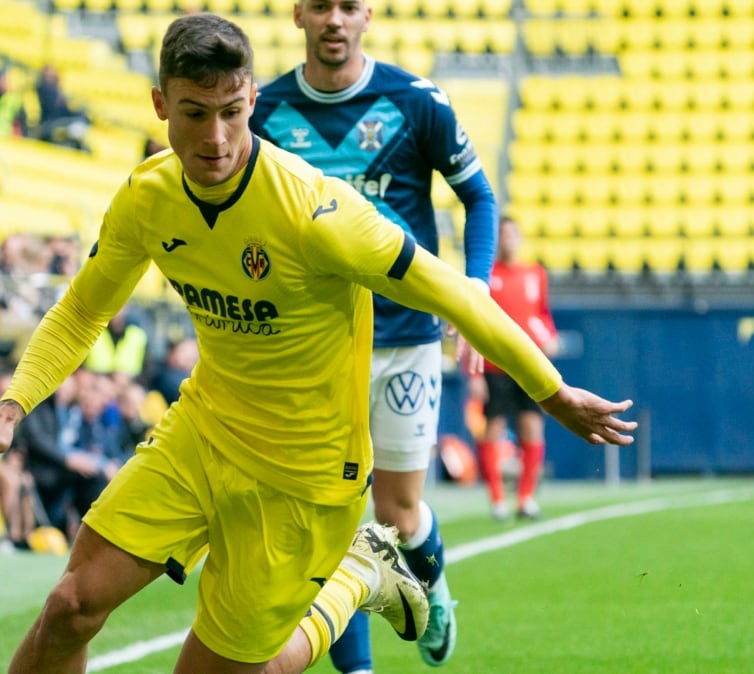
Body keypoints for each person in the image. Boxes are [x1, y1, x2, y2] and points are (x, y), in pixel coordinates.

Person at [0, 14, 635, 674]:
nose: (216, 139)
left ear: (252, 100)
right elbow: (83, 309)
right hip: (202, 434)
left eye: (232, 112)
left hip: (306, 472)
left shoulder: (317, 213)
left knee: (252, 668)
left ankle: (361, 575)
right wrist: (10, 407)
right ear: (159, 105)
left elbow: (451, 290)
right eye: (195, 114)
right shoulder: (147, 197)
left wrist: (552, 391)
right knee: (69, 606)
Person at [250, 0, 499, 667]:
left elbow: (480, 197)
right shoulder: (262, 113)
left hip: (405, 339)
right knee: (332, 524)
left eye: (349, 6)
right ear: (298, 14)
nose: (335, 19)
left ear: (367, 16)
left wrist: (473, 289)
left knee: (398, 513)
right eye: (322, 5)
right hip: (313, 347)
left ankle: (434, 581)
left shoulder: (416, 102)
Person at [474, 215, 560, 521]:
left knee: (532, 428)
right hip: (495, 366)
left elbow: (543, 314)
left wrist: (550, 337)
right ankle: (497, 499)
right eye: (502, 234)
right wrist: (474, 374)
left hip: (530, 364)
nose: (507, 239)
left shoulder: (535, 273)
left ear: (520, 238)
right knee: (493, 431)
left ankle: (525, 499)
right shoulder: (484, 276)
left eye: (512, 233)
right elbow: (474, 323)